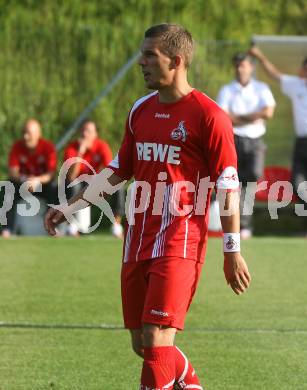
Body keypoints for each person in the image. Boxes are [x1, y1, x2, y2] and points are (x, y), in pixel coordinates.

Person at [45, 24, 251, 390]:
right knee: (143, 344)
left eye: (148, 55)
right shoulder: (139, 110)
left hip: (180, 242)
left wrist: (231, 250)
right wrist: (72, 204)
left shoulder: (210, 116)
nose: (140, 62)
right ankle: (189, 382)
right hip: (138, 238)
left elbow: (228, 185)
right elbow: (117, 171)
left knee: (157, 340)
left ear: (176, 60)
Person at [217, 52, 276, 239]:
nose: (240, 69)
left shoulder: (261, 88)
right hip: (233, 139)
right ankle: (238, 226)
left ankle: (244, 224)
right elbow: (223, 116)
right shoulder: (227, 90)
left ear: (251, 67)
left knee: (252, 180)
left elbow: (268, 112)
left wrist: (239, 118)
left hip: (256, 141)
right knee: (232, 182)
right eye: (237, 65)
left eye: (243, 65)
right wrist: (252, 116)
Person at [248, 46, 307, 232]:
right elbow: (275, 74)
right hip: (301, 143)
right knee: (297, 185)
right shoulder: (296, 84)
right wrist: (260, 55)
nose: (302, 72)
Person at [63, 119, 124, 238]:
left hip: (97, 184)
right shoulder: (72, 148)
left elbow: (110, 172)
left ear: (95, 134)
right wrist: (80, 152)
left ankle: (116, 226)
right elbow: (71, 177)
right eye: (83, 131)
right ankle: (71, 226)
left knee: (118, 185)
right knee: (72, 185)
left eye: (89, 131)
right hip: (78, 185)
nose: (85, 134)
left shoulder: (102, 146)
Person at [1, 119, 57, 238]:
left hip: (42, 184)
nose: (26, 137)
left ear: (38, 134)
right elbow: (13, 172)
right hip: (23, 184)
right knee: (8, 188)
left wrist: (36, 181)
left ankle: (52, 226)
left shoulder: (48, 147)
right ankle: (6, 229)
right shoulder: (17, 146)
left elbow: (50, 174)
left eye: (29, 134)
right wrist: (26, 180)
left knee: (54, 188)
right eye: (24, 133)